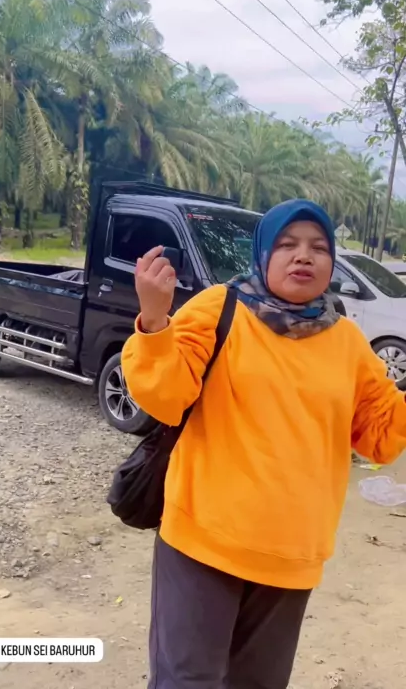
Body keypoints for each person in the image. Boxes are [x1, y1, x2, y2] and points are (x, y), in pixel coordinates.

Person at [121, 199, 406, 689]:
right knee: (188, 680)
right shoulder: (220, 308)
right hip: (204, 539)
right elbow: (166, 397)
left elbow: (380, 437)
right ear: (263, 253)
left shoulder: (348, 343)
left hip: (291, 555)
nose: (304, 255)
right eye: (287, 244)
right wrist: (153, 319)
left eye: (319, 247)